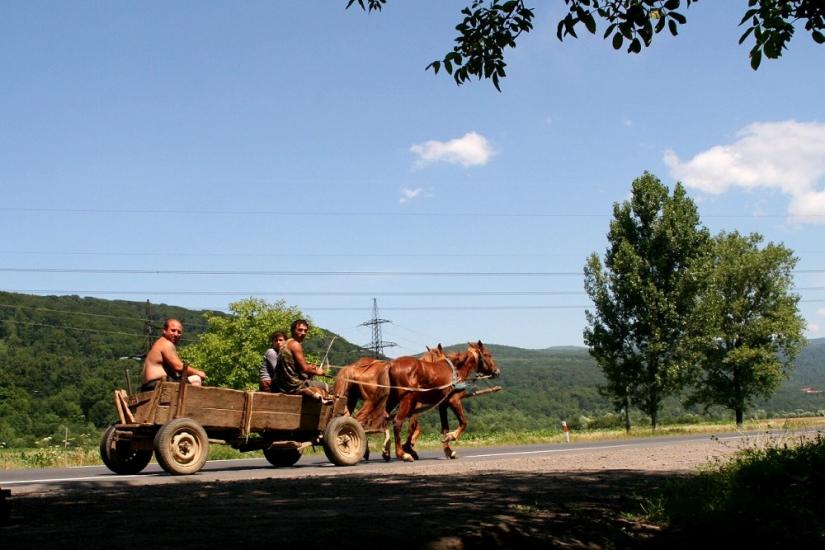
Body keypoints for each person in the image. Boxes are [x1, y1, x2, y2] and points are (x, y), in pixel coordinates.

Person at [140, 319, 206, 392]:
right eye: (173, 330)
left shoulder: (159, 343)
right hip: (156, 385)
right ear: (164, 331)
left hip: (150, 385)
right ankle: (191, 403)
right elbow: (178, 367)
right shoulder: (166, 344)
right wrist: (198, 372)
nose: (176, 334)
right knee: (196, 379)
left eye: (179, 332)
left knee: (185, 379)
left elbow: (176, 372)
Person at [273, 319, 331, 402]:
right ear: (293, 331)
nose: (303, 333)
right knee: (328, 387)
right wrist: (319, 371)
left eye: (305, 330)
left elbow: (297, 366)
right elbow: (304, 369)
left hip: (282, 384)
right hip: (293, 385)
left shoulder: (286, 343)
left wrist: (310, 367)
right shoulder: (295, 344)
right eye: (300, 330)